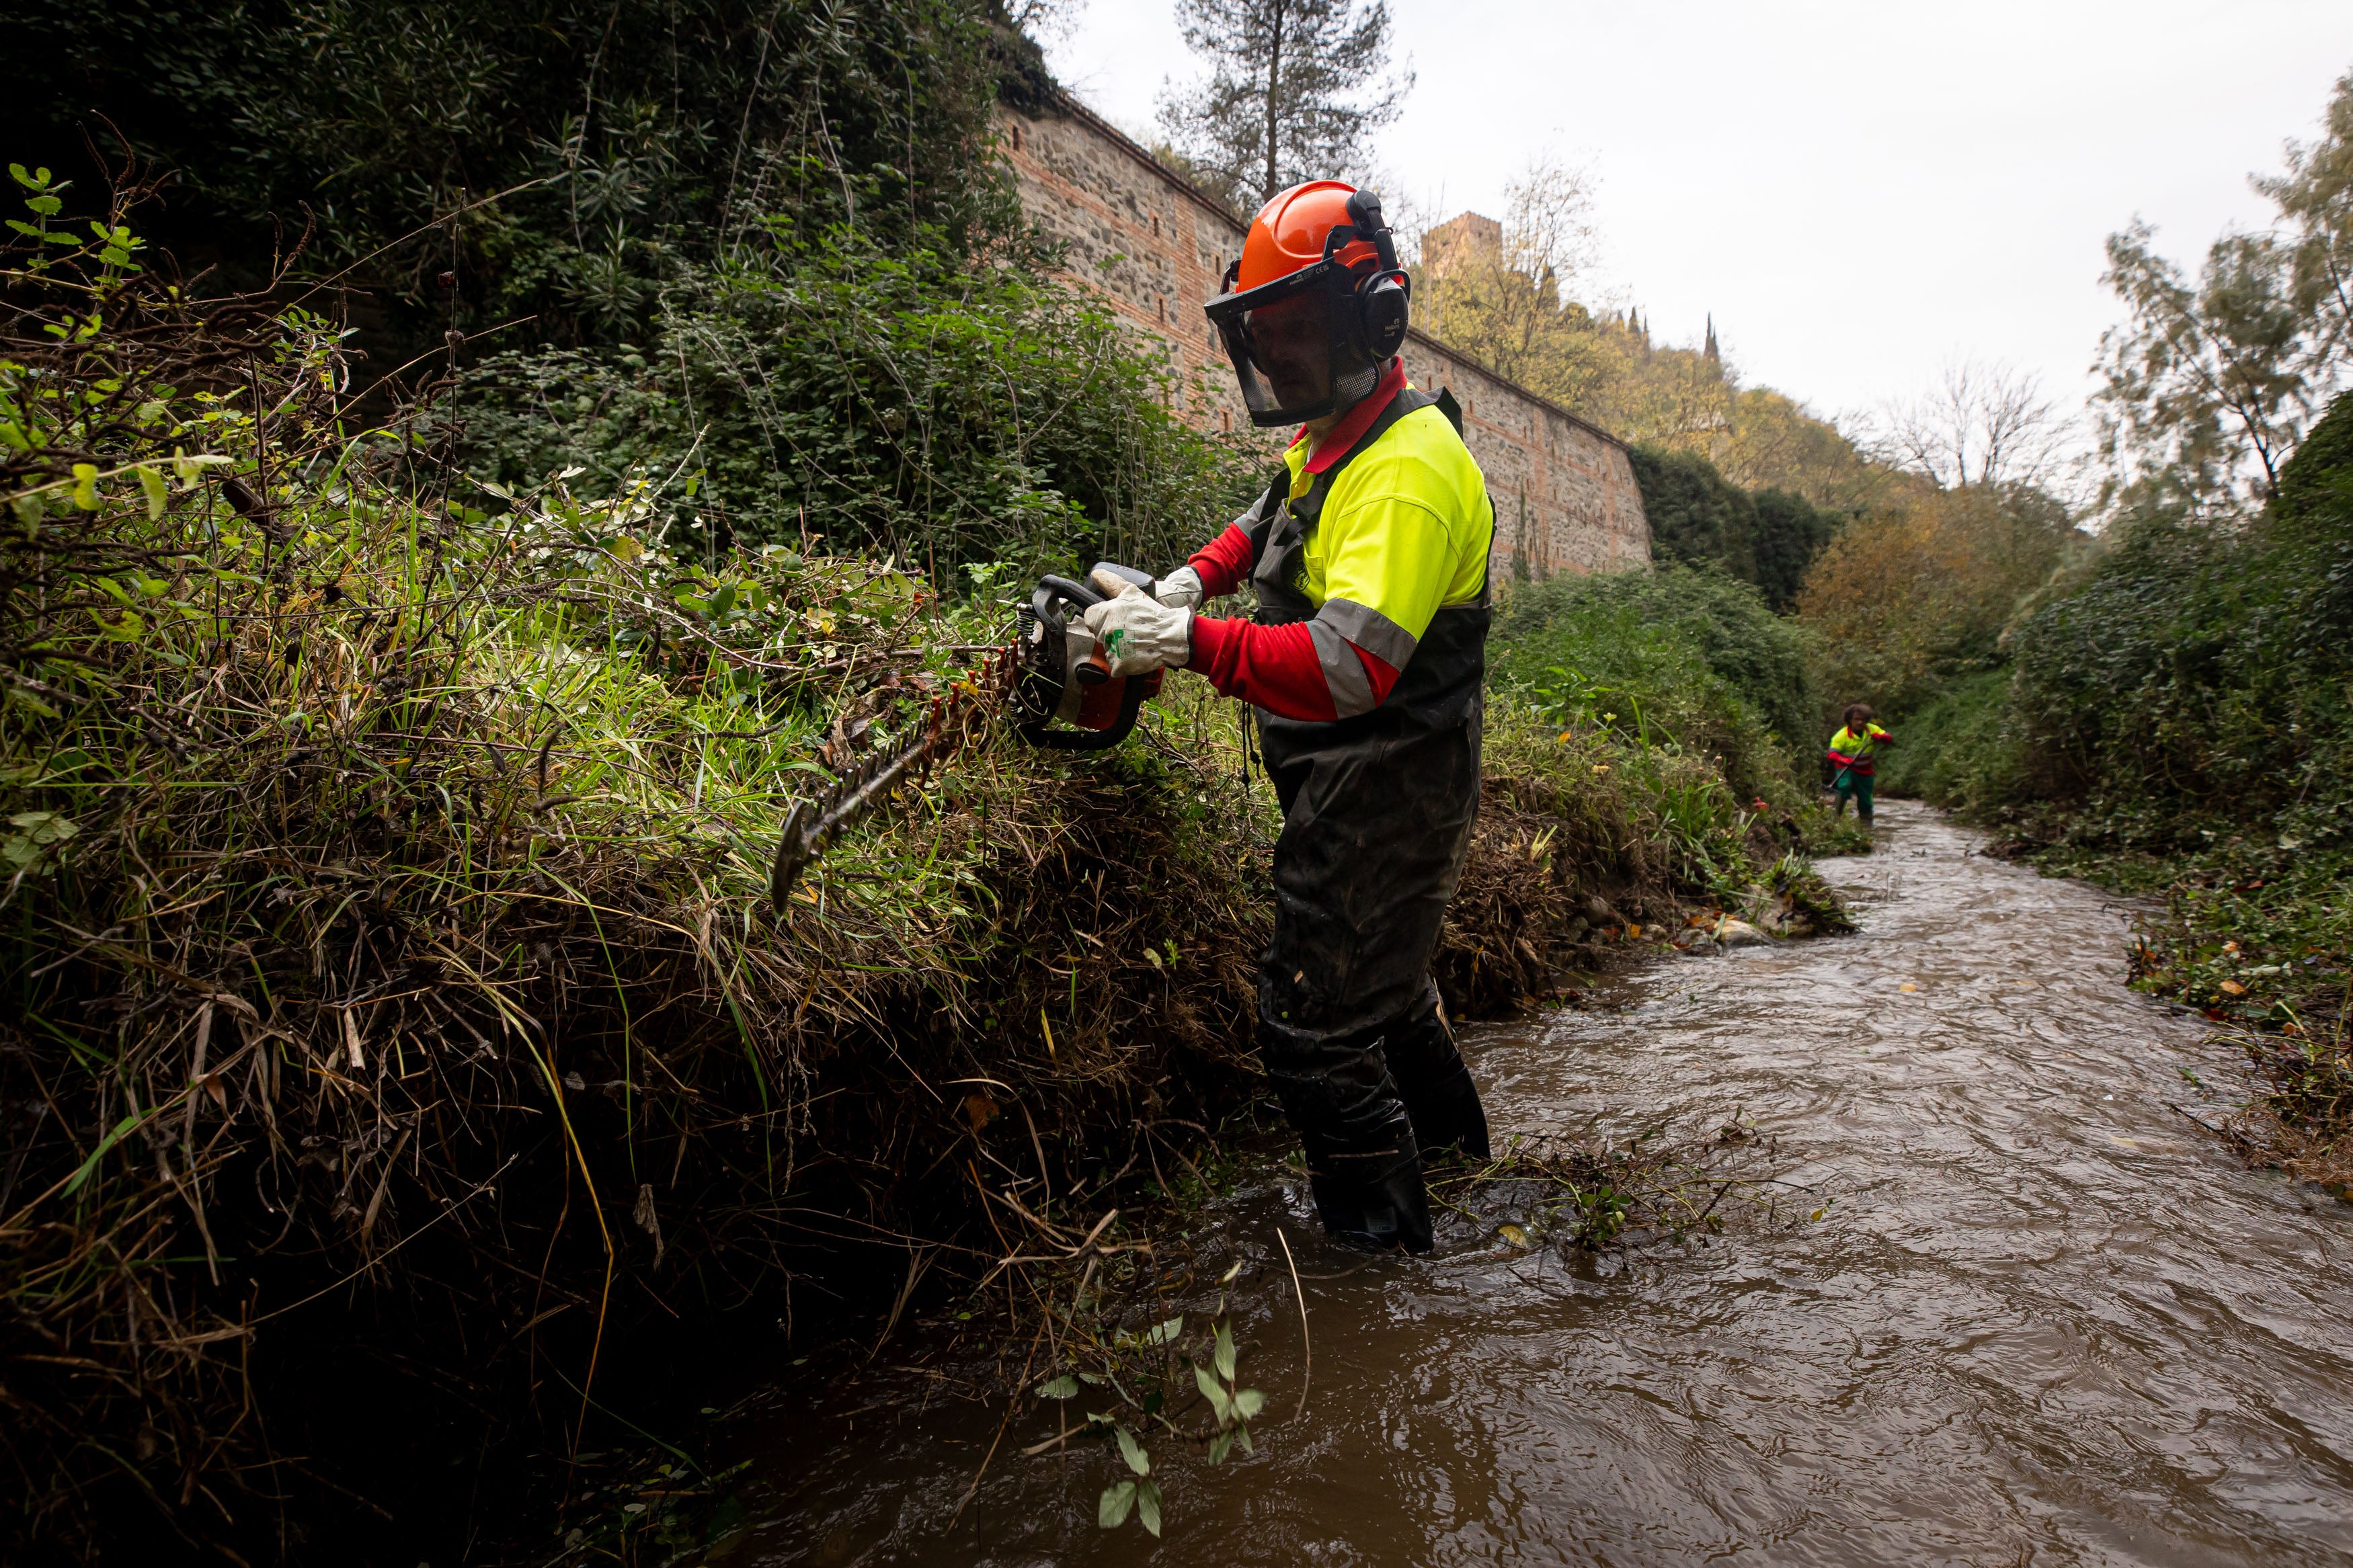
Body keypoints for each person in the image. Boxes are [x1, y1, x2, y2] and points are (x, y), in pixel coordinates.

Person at [1078, 180, 1494, 1254]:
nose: (1283, 354)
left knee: (1316, 1028)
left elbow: (1350, 668)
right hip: (1354, 780)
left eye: (1301, 328)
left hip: (1390, 784)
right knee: (1390, 1001)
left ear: (1373, 317)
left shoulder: (1408, 471)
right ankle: (1468, 1185)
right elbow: (1269, 515)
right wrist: (1188, 583)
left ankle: (1386, 1279)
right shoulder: (1337, 435)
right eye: (1268, 333)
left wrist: (1193, 646)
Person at [1827, 704, 1893, 824]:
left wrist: (1880, 737)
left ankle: (1867, 826)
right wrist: (1844, 760)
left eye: (1863, 719)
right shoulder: (1841, 736)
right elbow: (1832, 755)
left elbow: (1888, 739)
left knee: (1866, 801)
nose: (1860, 722)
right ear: (1850, 720)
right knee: (1844, 788)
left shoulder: (1872, 729)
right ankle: (1834, 818)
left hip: (1865, 773)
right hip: (1846, 770)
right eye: (1857, 719)